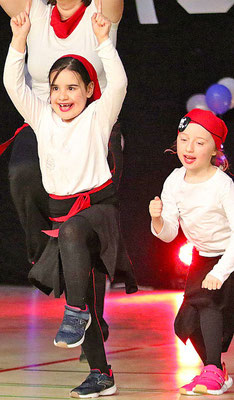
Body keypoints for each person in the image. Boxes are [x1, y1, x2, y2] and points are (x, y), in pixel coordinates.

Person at [3, 2, 130, 397]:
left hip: (96, 215)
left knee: (75, 237)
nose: (62, 95)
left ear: (91, 91)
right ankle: (100, 373)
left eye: (72, 87)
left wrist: (105, 42)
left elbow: (120, 84)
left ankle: (75, 312)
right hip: (64, 224)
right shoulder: (42, 120)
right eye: (56, 87)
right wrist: (18, 43)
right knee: (85, 290)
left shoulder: (98, 117)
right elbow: (13, 84)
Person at [149, 108, 234, 396]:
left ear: (214, 149)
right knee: (184, 323)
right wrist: (158, 220)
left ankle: (212, 370)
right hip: (203, 257)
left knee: (208, 303)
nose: (189, 147)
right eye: (184, 139)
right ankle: (216, 371)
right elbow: (170, 231)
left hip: (229, 257)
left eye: (200, 142)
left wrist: (220, 271)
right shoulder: (174, 180)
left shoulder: (223, 185)